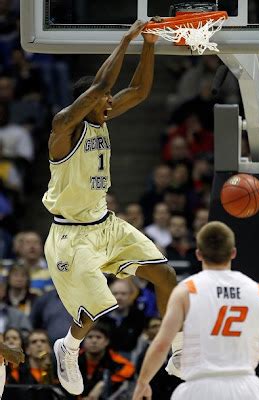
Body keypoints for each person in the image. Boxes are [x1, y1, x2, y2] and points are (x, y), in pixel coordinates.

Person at [42, 19, 177, 396]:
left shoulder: (100, 117)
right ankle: (68, 348)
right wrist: (128, 39)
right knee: (98, 309)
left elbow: (139, 90)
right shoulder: (63, 129)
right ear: (86, 104)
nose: (110, 104)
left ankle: (177, 347)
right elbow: (102, 86)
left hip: (105, 224)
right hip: (70, 237)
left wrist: (149, 44)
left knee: (166, 277)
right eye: (103, 102)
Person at [133, 221, 259, 400]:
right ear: (233, 253)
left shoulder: (187, 290)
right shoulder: (257, 290)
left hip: (201, 386)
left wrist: (143, 382)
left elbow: (161, 345)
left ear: (198, 254)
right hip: (247, 387)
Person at [78, 322, 135, 399]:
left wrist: (104, 383)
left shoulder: (113, 358)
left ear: (106, 341)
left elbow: (130, 369)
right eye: (90, 337)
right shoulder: (74, 358)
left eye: (98, 337)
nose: (94, 341)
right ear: (83, 340)